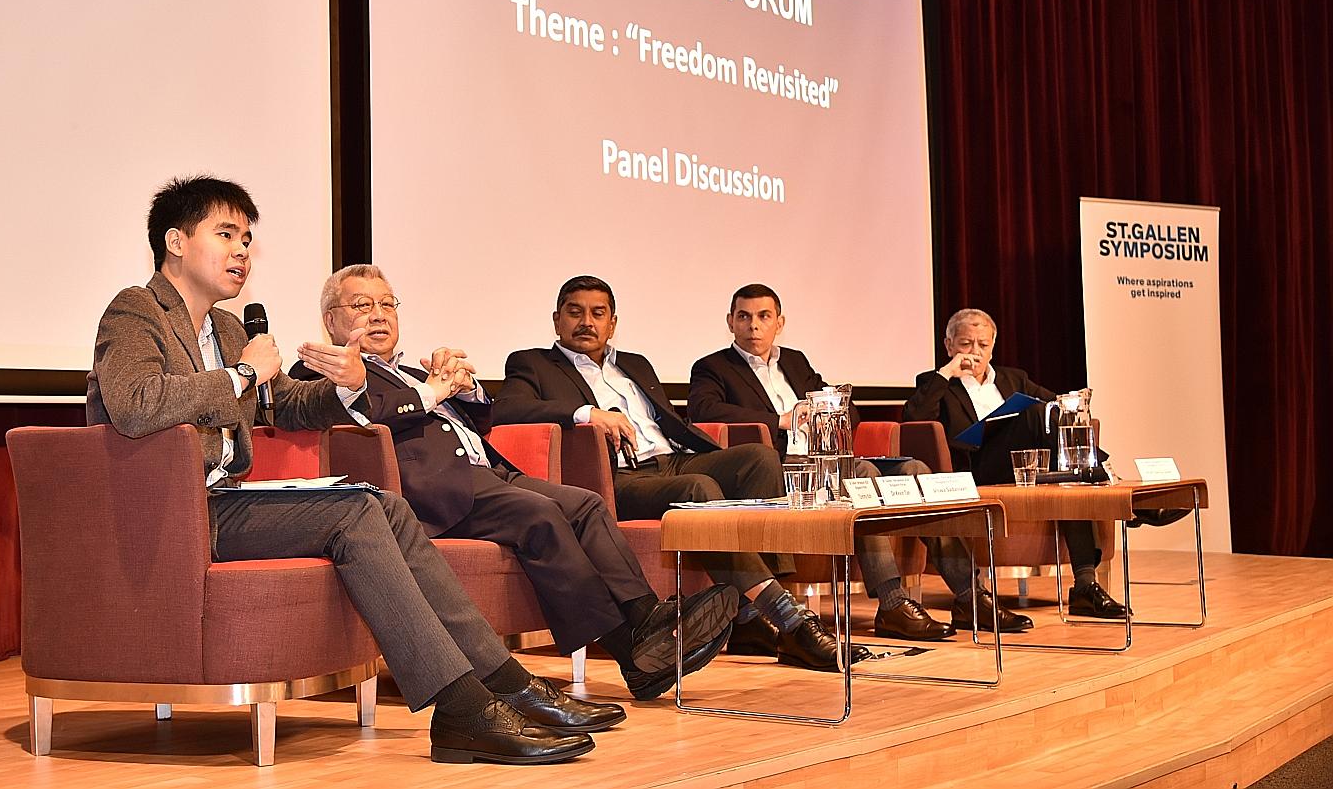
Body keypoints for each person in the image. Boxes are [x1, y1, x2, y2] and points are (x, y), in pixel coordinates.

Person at [87, 176, 607, 765]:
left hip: (220, 501)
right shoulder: (136, 309)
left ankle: (500, 683)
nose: (242, 251)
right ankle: (462, 707)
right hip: (173, 513)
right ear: (177, 242)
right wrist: (241, 377)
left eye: (248, 239)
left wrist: (350, 382)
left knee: (384, 504)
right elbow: (135, 404)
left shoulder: (230, 330)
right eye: (226, 234)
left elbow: (288, 405)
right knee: (357, 511)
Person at [290, 264, 737, 701]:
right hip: (433, 490)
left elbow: (484, 420)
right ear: (330, 319)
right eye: (362, 304)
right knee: (539, 515)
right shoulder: (324, 374)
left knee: (585, 504)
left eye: (388, 303)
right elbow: (361, 412)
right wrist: (433, 391)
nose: (379, 314)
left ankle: (646, 620)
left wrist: (466, 390)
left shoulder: (411, 370)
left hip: (490, 473)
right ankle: (632, 651)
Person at [495, 275, 875, 672]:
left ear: (613, 322)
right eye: (575, 313)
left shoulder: (635, 364)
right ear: (557, 320)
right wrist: (588, 414)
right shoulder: (532, 363)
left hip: (674, 458)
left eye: (598, 313)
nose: (586, 322)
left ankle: (748, 616)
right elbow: (506, 410)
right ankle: (788, 619)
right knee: (699, 488)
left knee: (759, 459)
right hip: (620, 477)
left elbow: (670, 422)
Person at [686, 283, 1034, 643]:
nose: (754, 326)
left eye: (763, 317)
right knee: (861, 476)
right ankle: (892, 602)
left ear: (780, 322)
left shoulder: (795, 361)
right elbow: (704, 411)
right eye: (744, 317)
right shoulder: (713, 368)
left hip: (832, 462)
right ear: (730, 322)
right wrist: (781, 419)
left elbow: (844, 406)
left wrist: (830, 410)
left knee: (916, 471)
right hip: (786, 469)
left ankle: (970, 596)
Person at [901, 307, 1130, 619]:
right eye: (966, 344)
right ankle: (1103, 473)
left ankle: (1085, 586)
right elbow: (913, 420)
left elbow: (1055, 409)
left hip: (1026, 467)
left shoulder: (1013, 378)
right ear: (949, 345)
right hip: (977, 468)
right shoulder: (936, 383)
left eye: (983, 344)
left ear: (993, 345)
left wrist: (1075, 401)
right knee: (1037, 415)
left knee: (1065, 471)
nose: (974, 353)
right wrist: (947, 373)